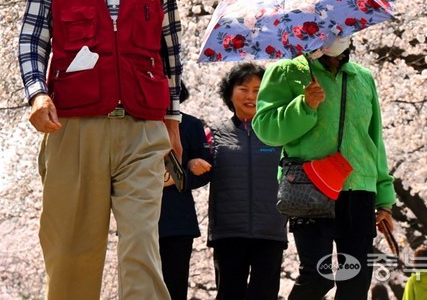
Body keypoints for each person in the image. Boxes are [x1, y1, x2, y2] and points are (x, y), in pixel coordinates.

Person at [17, 0, 184, 300]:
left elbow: (170, 49)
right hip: (73, 128)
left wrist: (172, 122)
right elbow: (32, 38)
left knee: (142, 250)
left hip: (142, 130)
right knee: (71, 255)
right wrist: (37, 93)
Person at [253, 32, 396, 300]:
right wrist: (304, 105)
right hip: (309, 185)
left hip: (359, 188)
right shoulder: (285, 72)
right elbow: (266, 129)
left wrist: (385, 199)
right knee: (318, 276)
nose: (336, 35)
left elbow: (374, 138)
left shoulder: (362, 77)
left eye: (343, 29)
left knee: (356, 278)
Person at [206, 62, 287, 300]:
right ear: (229, 94)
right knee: (229, 293)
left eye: (258, 90)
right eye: (243, 88)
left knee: (265, 294)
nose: (251, 96)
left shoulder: (280, 133)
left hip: (271, 229)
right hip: (229, 232)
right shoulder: (213, 133)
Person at [158, 83, 213, 300]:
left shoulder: (190, 124)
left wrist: (181, 177)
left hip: (178, 219)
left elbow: (206, 170)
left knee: (175, 286)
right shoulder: (132, 124)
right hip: (137, 215)